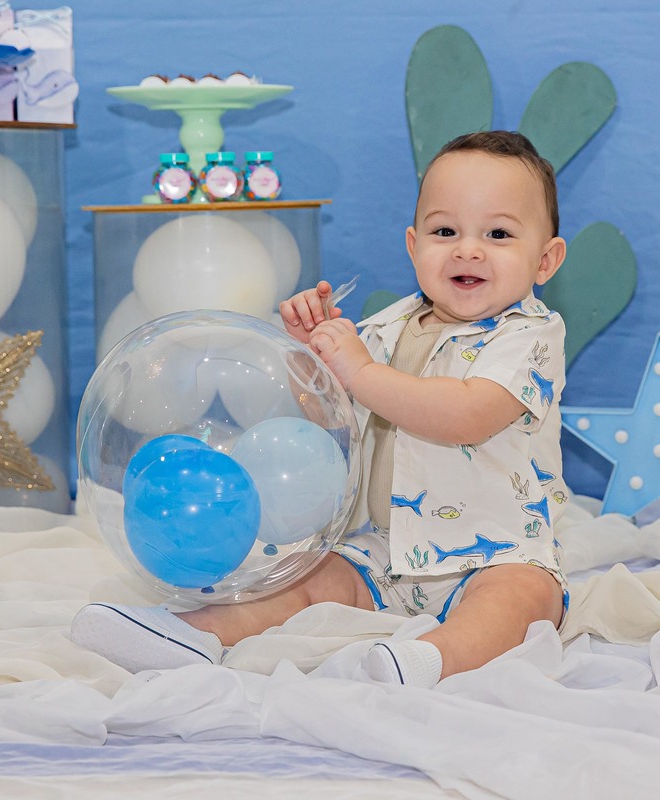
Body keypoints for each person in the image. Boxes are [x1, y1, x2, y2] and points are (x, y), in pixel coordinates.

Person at [72, 130, 571, 688]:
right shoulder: (385, 329)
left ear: (545, 260)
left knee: (522, 600)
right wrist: (310, 362)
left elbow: (466, 415)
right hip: (383, 550)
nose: (467, 249)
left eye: (498, 234)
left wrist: (359, 371)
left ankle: (431, 658)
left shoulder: (529, 336)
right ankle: (192, 632)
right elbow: (336, 428)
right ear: (414, 246)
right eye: (444, 231)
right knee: (303, 579)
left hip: (497, 550)